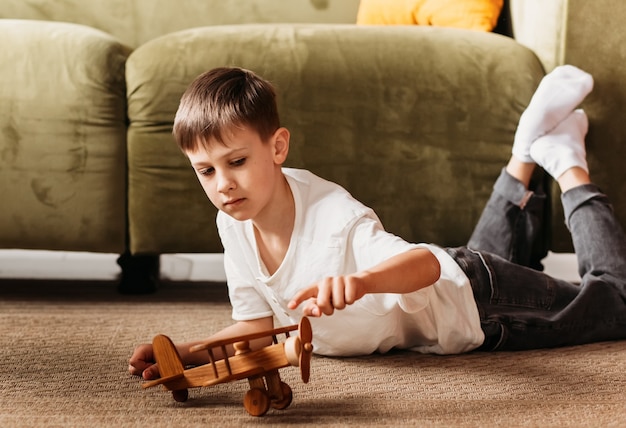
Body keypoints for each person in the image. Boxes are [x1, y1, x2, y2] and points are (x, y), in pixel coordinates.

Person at [129, 65, 626, 380]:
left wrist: (363, 281)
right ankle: (523, 157)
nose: (222, 185)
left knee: (615, 302)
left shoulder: (334, 218)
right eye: (205, 170)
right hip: (455, 285)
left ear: (277, 147)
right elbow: (259, 327)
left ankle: (567, 167)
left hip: (476, 306)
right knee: (476, 256)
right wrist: (188, 352)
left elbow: (429, 266)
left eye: (236, 162)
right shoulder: (234, 222)